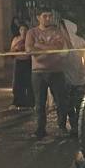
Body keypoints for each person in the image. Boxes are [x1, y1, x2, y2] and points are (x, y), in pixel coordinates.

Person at [25, 9, 71, 140]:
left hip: (56, 71)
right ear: (38, 17)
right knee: (39, 103)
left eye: (50, 16)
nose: (48, 18)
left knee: (61, 101)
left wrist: (39, 46)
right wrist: (49, 48)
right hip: (38, 72)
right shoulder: (32, 32)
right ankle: (40, 129)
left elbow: (58, 46)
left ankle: (61, 127)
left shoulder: (56, 31)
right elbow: (29, 49)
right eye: (45, 16)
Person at [10, 23, 33, 109]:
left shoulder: (30, 39)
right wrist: (17, 47)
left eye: (25, 30)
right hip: (18, 62)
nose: (23, 32)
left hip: (28, 62)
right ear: (19, 31)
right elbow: (11, 51)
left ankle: (30, 102)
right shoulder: (16, 39)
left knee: (29, 83)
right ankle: (17, 102)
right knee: (17, 83)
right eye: (21, 30)